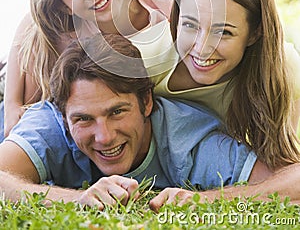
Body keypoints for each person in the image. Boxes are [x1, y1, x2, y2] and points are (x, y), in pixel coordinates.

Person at [1, 32, 300, 210]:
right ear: (65, 117)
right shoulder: (50, 124)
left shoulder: (188, 140)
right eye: (84, 120)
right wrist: (74, 200)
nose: (104, 136)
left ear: (146, 102)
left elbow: (292, 179)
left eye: (117, 111)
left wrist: (206, 202)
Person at [4, 0, 178, 138]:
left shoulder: (161, 0)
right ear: (64, 5)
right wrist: (13, 104)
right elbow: (31, 22)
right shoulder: (67, 41)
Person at [154, 0, 300, 169]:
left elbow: (282, 164)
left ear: (254, 33)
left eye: (223, 32)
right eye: (190, 25)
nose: (202, 49)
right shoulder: (146, 59)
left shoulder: (282, 68)